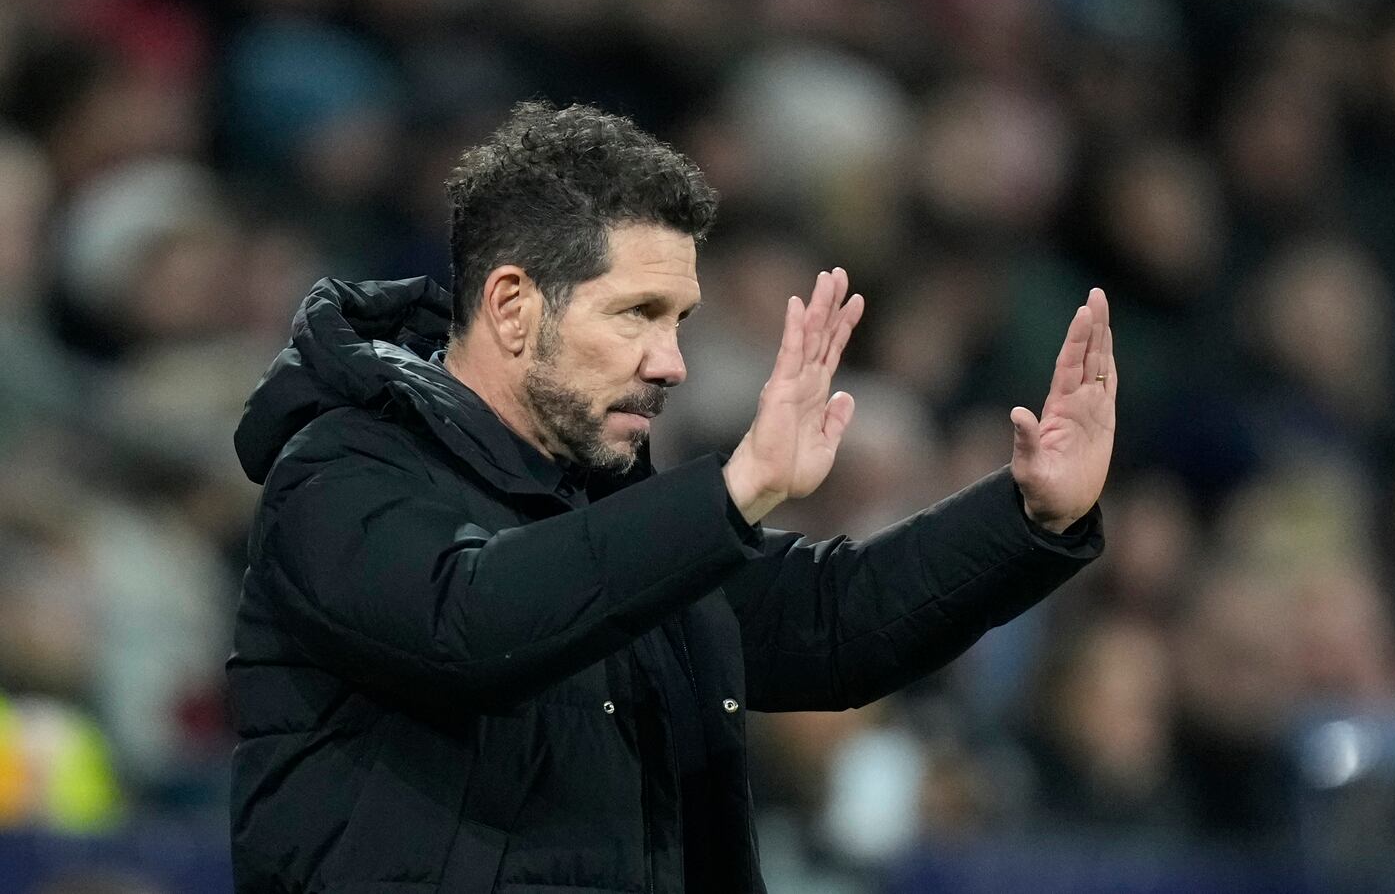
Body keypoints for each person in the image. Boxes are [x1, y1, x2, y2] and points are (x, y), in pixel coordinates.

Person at [227, 101, 1117, 894]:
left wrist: (1028, 513)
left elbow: (831, 622)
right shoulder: (339, 469)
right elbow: (469, 624)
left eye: (679, 319)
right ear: (510, 305)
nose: (671, 362)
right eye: (636, 313)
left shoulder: (613, 516)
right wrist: (734, 492)